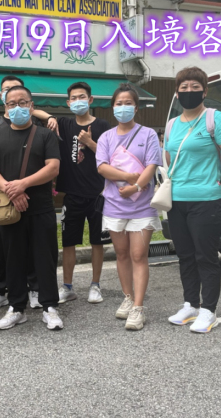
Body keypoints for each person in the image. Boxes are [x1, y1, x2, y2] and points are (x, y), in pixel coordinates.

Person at [164, 67, 221, 334]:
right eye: (184, 87)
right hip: (176, 200)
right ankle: (191, 305)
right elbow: (169, 158)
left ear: (205, 91)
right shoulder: (172, 124)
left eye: (195, 87)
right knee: (185, 255)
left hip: (206, 200)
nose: (189, 91)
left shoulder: (215, 118)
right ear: (177, 93)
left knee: (205, 257)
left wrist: (219, 188)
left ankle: (209, 310)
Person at [0, 86, 63, 331]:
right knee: (13, 259)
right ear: (5, 108)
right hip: (10, 209)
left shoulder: (45, 135)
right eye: (11, 103)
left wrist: (23, 184)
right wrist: (11, 189)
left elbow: (53, 167)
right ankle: (16, 308)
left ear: (31, 105)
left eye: (22, 102)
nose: (17, 107)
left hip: (41, 207)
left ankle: (49, 306)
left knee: (45, 258)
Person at [96, 83, 162, 331]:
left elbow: (152, 165)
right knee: (121, 254)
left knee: (138, 255)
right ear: (113, 107)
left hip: (142, 206)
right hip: (114, 206)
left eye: (128, 103)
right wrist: (129, 177)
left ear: (136, 107)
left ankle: (138, 307)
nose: (123, 107)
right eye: (119, 103)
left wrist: (136, 187)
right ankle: (127, 297)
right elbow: (102, 167)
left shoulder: (148, 134)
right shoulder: (106, 137)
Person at [45, 82, 111, 304]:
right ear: (68, 102)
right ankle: (67, 287)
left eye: (82, 97)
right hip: (72, 195)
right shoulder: (64, 124)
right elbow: (36, 112)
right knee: (68, 243)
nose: (78, 101)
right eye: (73, 98)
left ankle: (95, 285)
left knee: (97, 242)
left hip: (98, 194)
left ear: (90, 100)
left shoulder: (103, 125)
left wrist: (89, 142)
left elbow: (110, 157)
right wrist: (50, 117)